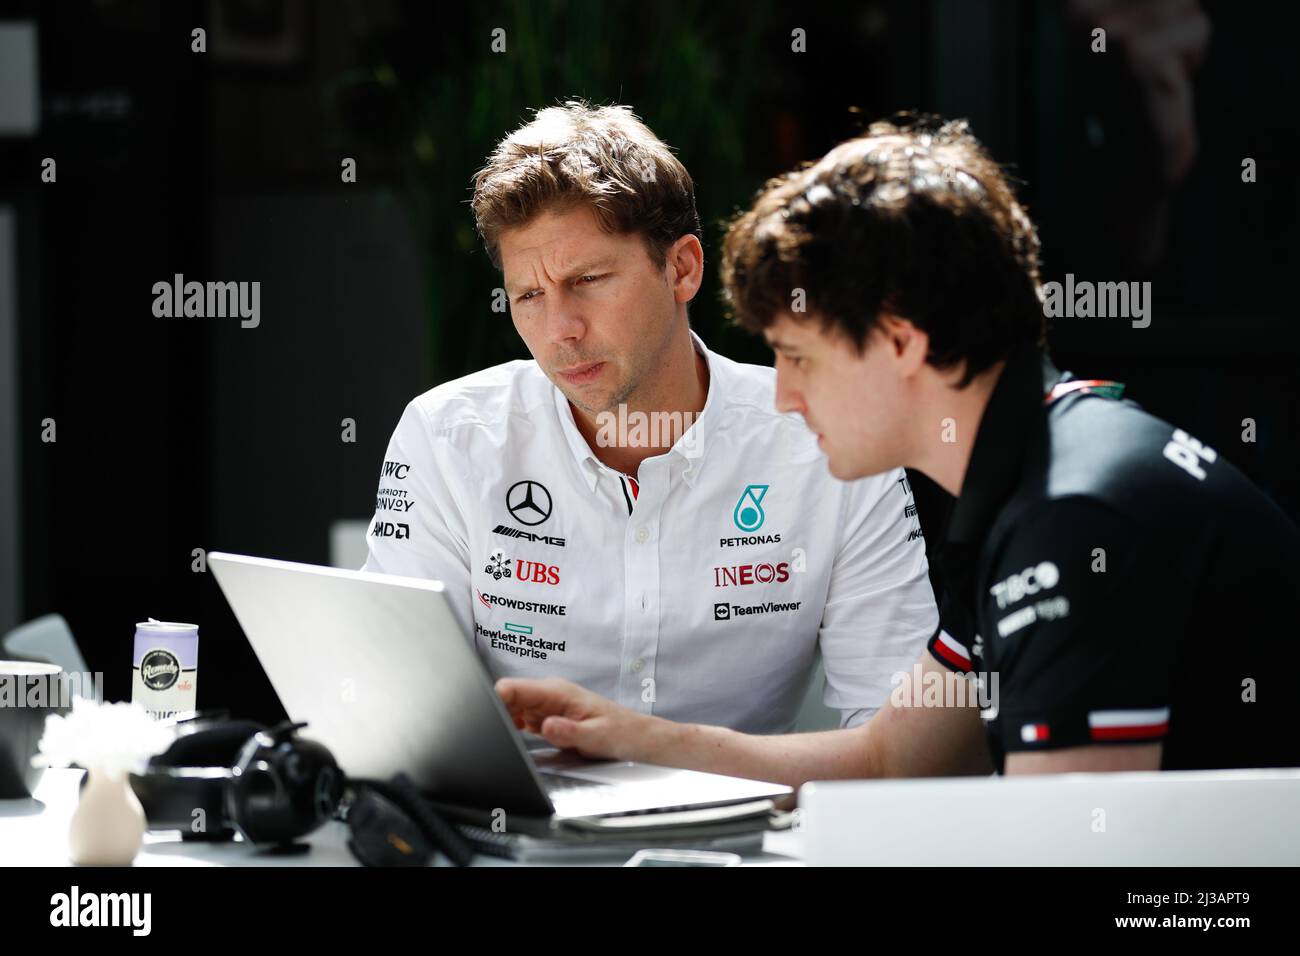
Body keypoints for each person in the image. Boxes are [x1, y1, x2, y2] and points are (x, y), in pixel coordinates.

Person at [496, 115, 1300, 782]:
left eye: (800, 356)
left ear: (903, 342)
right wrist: (630, 735)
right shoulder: (1036, 473)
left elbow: (1074, 855)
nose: (782, 395)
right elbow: (892, 761)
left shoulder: (1077, 513)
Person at [362, 102, 940, 737]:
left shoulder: (828, 443)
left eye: (589, 280)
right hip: (514, 827)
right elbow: (397, 707)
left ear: (682, 268)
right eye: (529, 295)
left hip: (745, 834)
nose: (561, 331)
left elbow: (903, 749)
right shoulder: (448, 436)